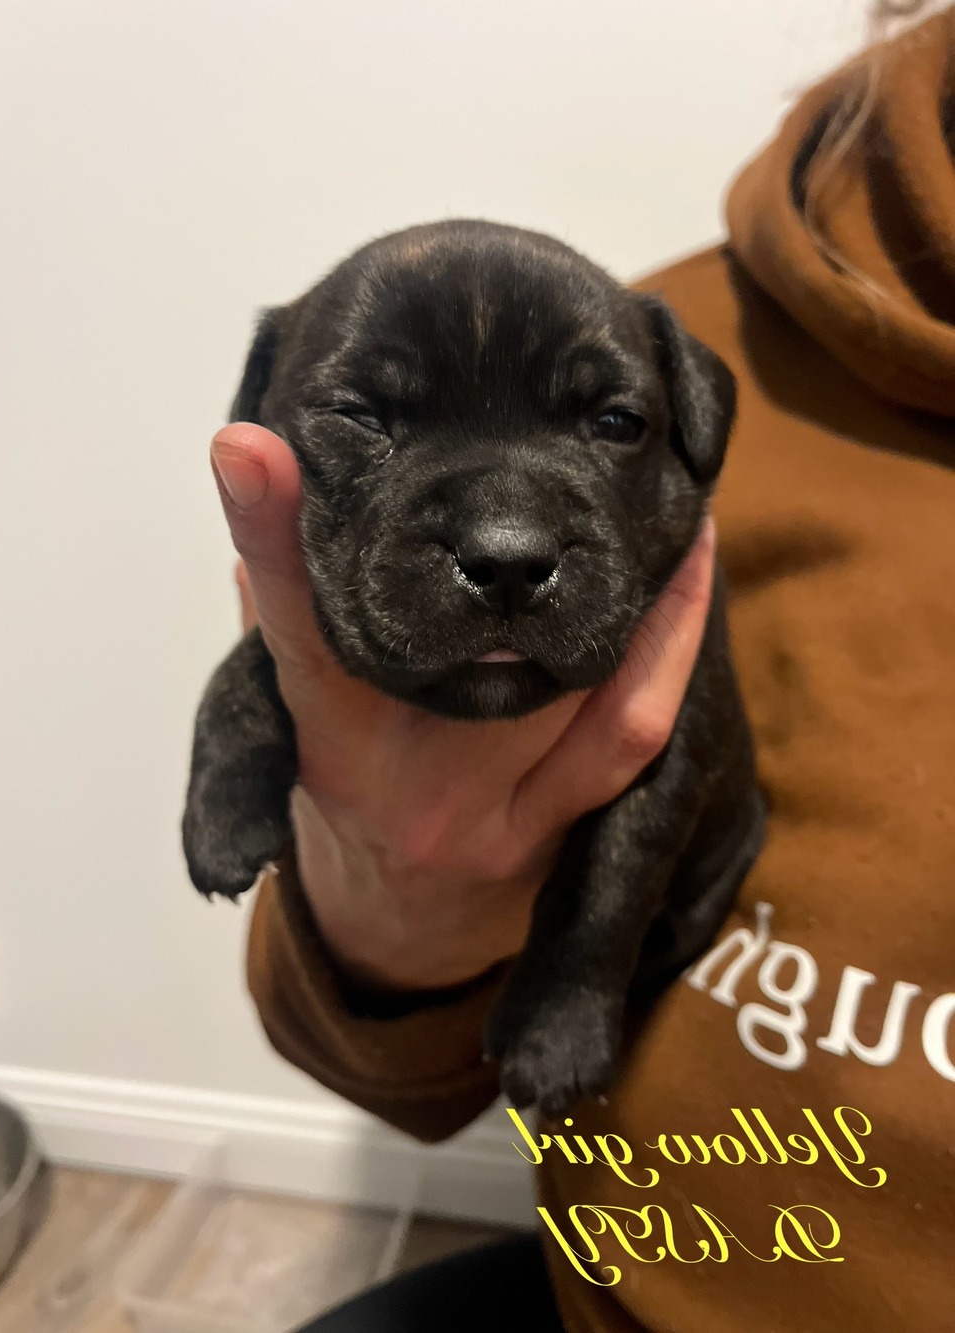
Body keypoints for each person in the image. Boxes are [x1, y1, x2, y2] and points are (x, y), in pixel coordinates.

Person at [207, 4, 955, 1329]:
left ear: (680, 433)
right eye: (366, 416)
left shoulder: (658, 357)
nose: (501, 530)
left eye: (606, 425)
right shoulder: (674, 314)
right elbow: (371, 1051)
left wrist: (572, 974)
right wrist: (374, 889)